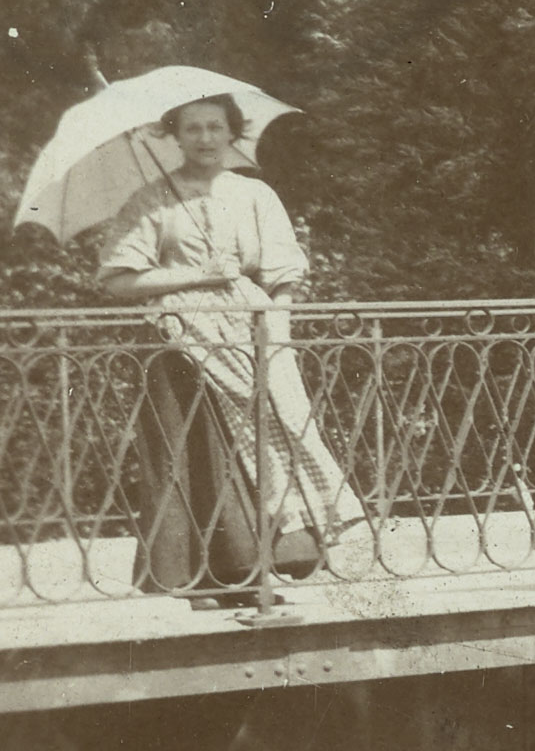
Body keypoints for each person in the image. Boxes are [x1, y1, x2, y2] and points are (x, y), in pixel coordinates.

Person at [97, 94, 364, 608]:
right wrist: (199, 275)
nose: (204, 138)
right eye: (192, 128)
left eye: (215, 128)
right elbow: (118, 279)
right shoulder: (153, 199)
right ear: (175, 135)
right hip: (180, 340)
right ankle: (195, 577)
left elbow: (285, 274)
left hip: (252, 330)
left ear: (231, 134)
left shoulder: (255, 195)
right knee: (197, 453)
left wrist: (278, 331)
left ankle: (266, 564)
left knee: (278, 428)